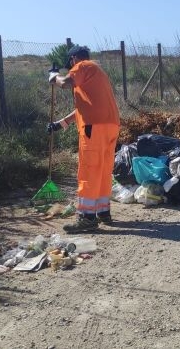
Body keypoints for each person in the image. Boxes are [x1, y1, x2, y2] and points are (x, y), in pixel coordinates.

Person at [47, 45, 120, 233]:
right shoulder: (98, 72)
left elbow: (65, 83)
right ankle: (103, 211)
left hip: (94, 127)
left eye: (70, 63)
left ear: (73, 59)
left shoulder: (82, 66)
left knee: (89, 170)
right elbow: (86, 106)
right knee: (103, 170)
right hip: (110, 125)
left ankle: (87, 218)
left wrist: (54, 77)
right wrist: (62, 123)